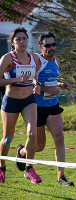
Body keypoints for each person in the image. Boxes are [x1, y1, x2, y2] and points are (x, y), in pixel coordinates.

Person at [16, 31, 74, 186]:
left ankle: (61, 177)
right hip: (36, 107)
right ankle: (22, 152)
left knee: (59, 138)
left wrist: (62, 84)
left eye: (54, 44)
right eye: (48, 45)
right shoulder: (36, 60)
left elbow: (51, 81)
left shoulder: (57, 61)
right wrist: (46, 90)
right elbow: (29, 84)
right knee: (39, 146)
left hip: (53, 105)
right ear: (41, 47)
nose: (52, 48)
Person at [0, 27, 42, 184]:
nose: (22, 41)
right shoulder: (7, 58)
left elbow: (35, 75)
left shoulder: (34, 58)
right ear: (12, 42)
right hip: (11, 101)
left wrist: (37, 85)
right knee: (7, 138)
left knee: (32, 134)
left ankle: (29, 168)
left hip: (28, 100)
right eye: (18, 39)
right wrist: (15, 79)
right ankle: (1, 167)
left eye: (24, 38)